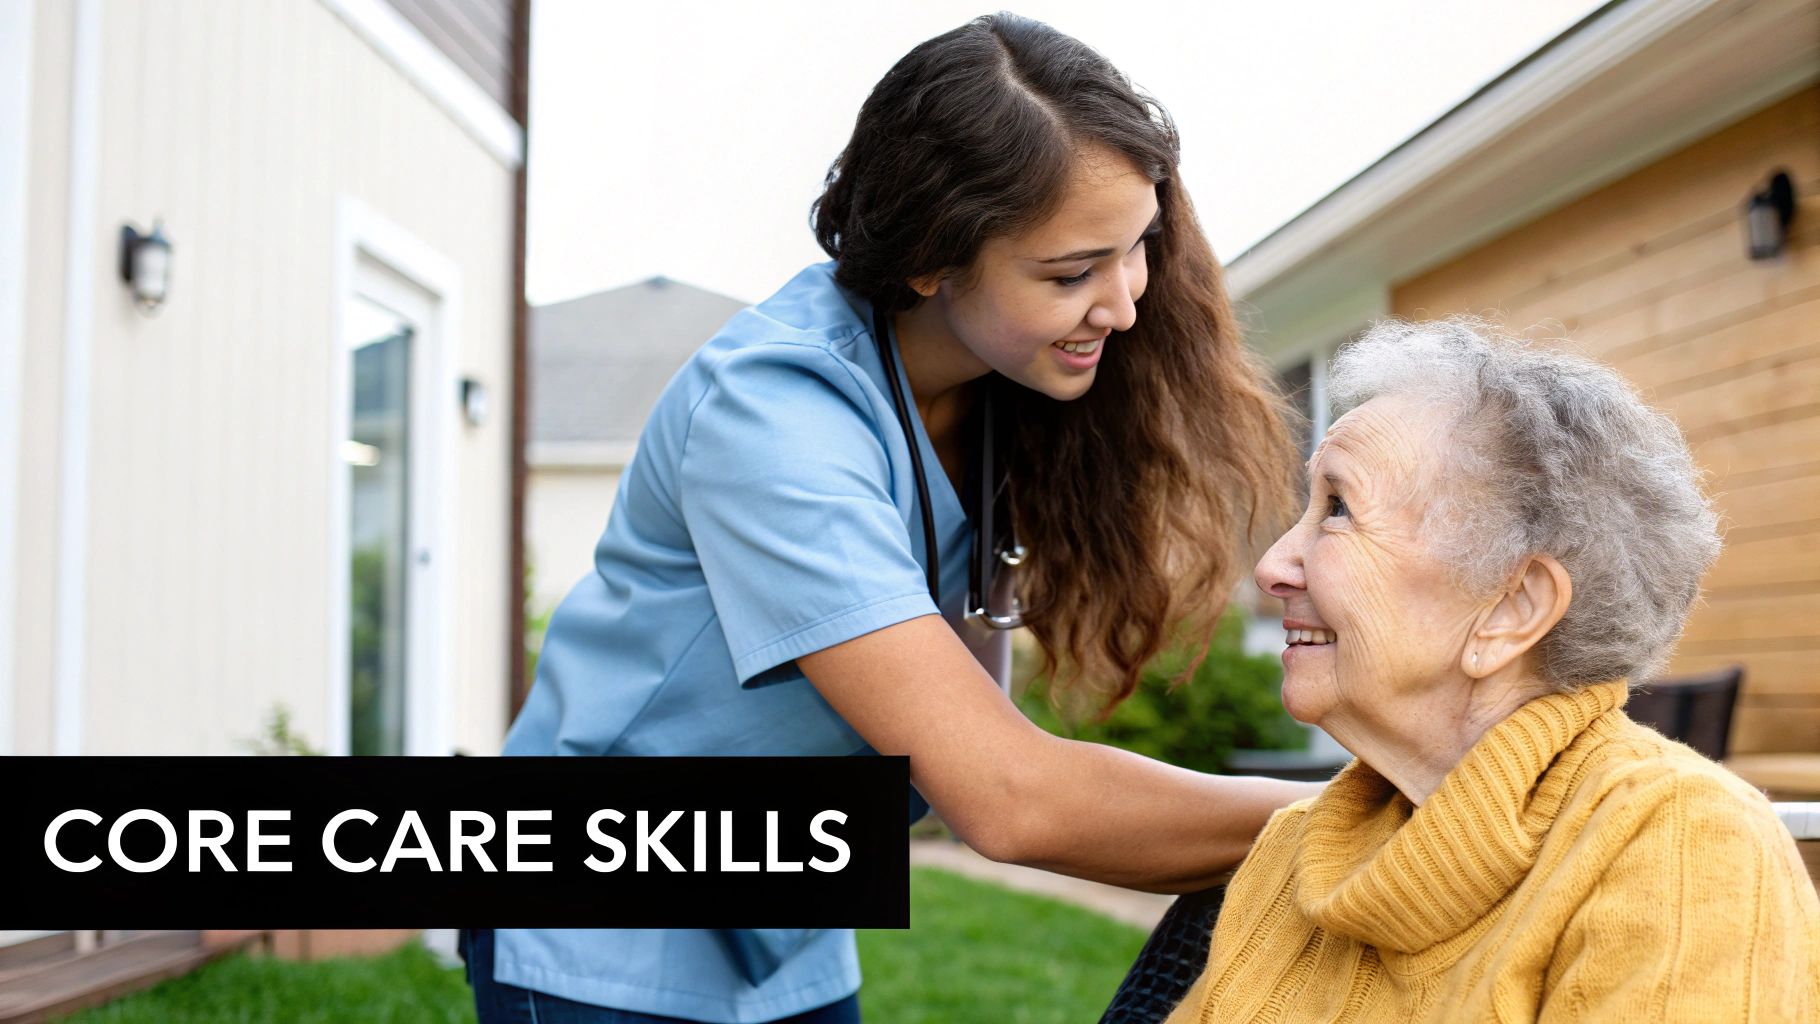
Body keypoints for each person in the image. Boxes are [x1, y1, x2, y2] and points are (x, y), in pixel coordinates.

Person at [462, 12, 1320, 1024]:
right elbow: (1006, 797)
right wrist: (1363, 811)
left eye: (1136, 249)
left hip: (786, 924)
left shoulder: (1000, 389)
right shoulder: (771, 418)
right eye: (1069, 272)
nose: (1125, 303)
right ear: (929, 259)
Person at [1163, 318, 1820, 1024]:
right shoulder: (1298, 851)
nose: (1270, 568)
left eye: (1339, 508)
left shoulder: (1681, 848)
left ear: (1512, 606)